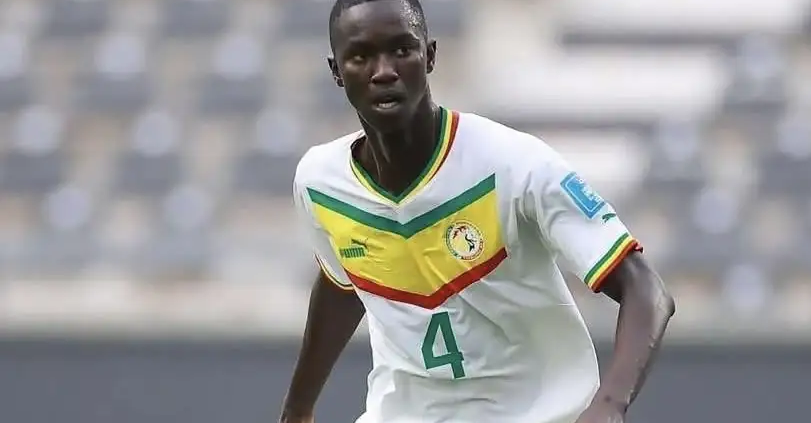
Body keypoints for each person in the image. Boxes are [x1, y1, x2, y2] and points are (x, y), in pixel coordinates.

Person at [280, 0, 676, 422]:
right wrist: (298, 408)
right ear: (336, 71)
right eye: (360, 56)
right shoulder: (321, 184)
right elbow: (342, 284)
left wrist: (609, 406)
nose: (384, 71)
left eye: (402, 50)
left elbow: (646, 289)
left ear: (430, 55)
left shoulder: (514, 165)